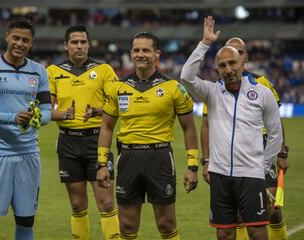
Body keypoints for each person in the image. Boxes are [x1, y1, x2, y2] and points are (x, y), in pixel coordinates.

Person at [180, 16, 283, 240]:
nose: (228, 69)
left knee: (257, 232)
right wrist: (204, 44)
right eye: (222, 65)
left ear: (243, 64)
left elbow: (275, 134)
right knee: (224, 234)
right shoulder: (212, 92)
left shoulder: (262, 93)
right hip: (221, 176)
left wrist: (262, 166)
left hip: (252, 175)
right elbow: (186, 76)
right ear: (217, 69)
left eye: (233, 63)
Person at [96, 32, 199, 240]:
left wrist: (192, 165)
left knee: (166, 224)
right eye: (136, 50)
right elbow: (106, 126)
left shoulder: (173, 88)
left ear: (157, 54)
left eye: (146, 50)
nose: (141, 54)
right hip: (128, 158)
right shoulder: (118, 88)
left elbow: (189, 128)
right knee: (126, 226)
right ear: (131, 54)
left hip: (159, 157)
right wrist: (101, 164)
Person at [0, 17, 51, 240]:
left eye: (25, 40)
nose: (20, 43)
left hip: (28, 154)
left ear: (31, 42)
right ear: (7, 37)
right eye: (16, 38)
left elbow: (46, 112)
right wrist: (12, 118)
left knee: (26, 220)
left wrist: (36, 120)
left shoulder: (39, 72)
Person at [200, 37, 289, 240]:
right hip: (230, 155)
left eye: (238, 53)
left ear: (244, 58)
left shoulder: (263, 84)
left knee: (272, 210)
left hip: (262, 149)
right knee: (237, 217)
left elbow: (276, 123)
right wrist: (206, 160)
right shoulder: (217, 89)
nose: (233, 59)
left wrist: (281, 152)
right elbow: (206, 124)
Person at [47, 25, 119, 240]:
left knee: (106, 203)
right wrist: (62, 115)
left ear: (89, 44)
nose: (79, 46)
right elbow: (44, 110)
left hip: (98, 141)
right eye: (74, 42)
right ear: (66, 45)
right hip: (68, 143)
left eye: (83, 42)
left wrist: (96, 111)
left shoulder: (104, 70)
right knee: (77, 205)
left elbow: (117, 104)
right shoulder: (53, 71)